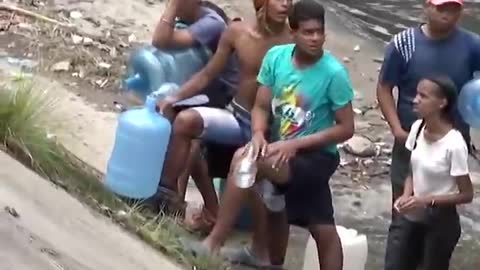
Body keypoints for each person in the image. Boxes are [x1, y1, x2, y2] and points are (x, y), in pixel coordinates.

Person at [186, 2, 355, 270]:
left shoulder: (333, 73)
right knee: (320, 226)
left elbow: (347, 128)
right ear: (294, 32)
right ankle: (269, 261)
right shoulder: (276, 58)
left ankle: (213, 243)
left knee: (246, 162)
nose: (315, 39)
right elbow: (261, 106)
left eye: (319, 33)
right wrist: (257, 134)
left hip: (315, 157)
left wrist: (294, 143)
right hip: (281, 150)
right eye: (308, 32)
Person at [155, 0, 293, 267]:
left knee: (260, 186)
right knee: (185, 122)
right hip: (237, 117)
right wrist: (175, 97)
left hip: (270, 132)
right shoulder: (236, 33)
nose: (286, 4)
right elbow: (208, 73)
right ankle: (165, 199)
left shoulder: (292, 41)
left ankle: (237, 245)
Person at [377, 0, 480, 268]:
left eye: (454, 8)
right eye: (441, 7)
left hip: (452, 138)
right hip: (412, 137)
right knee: (404, 213)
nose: (447, 14)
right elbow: (385, 87)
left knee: (440, 215)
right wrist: (397, 129)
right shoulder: (404, 43)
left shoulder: (472, 45)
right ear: (427, 7)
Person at [151, 0, 239, 231]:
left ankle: (167, 195)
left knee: (178, 119)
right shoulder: (187, 19)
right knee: (168, 112)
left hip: (224, 93)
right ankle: (205, 207)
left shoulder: (210, 23)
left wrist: (171, 8)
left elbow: (161, 40)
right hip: (204, 86)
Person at [387, 75, 474, 270]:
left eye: (423, 96)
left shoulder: (454, 144)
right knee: (395, 263)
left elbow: (466, 194)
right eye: (417, 94)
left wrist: (425, 200)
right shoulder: (418, 128)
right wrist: (407, 195)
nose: (415, 99)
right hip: (413, 215)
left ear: (442, 103)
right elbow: (412, 169)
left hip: (440, 222)